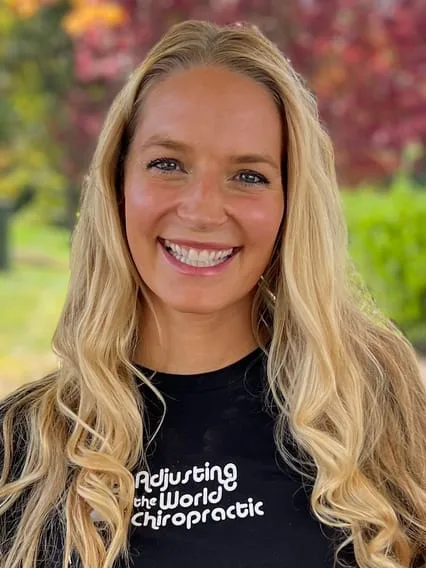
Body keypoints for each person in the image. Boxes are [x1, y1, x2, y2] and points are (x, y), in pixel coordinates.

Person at [0, 19, 425, 568]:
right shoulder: (20, 445)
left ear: (290, 203)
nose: (202, 210)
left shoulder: (372, 401)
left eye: (248, 176)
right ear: (117, 182)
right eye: (167, 165)